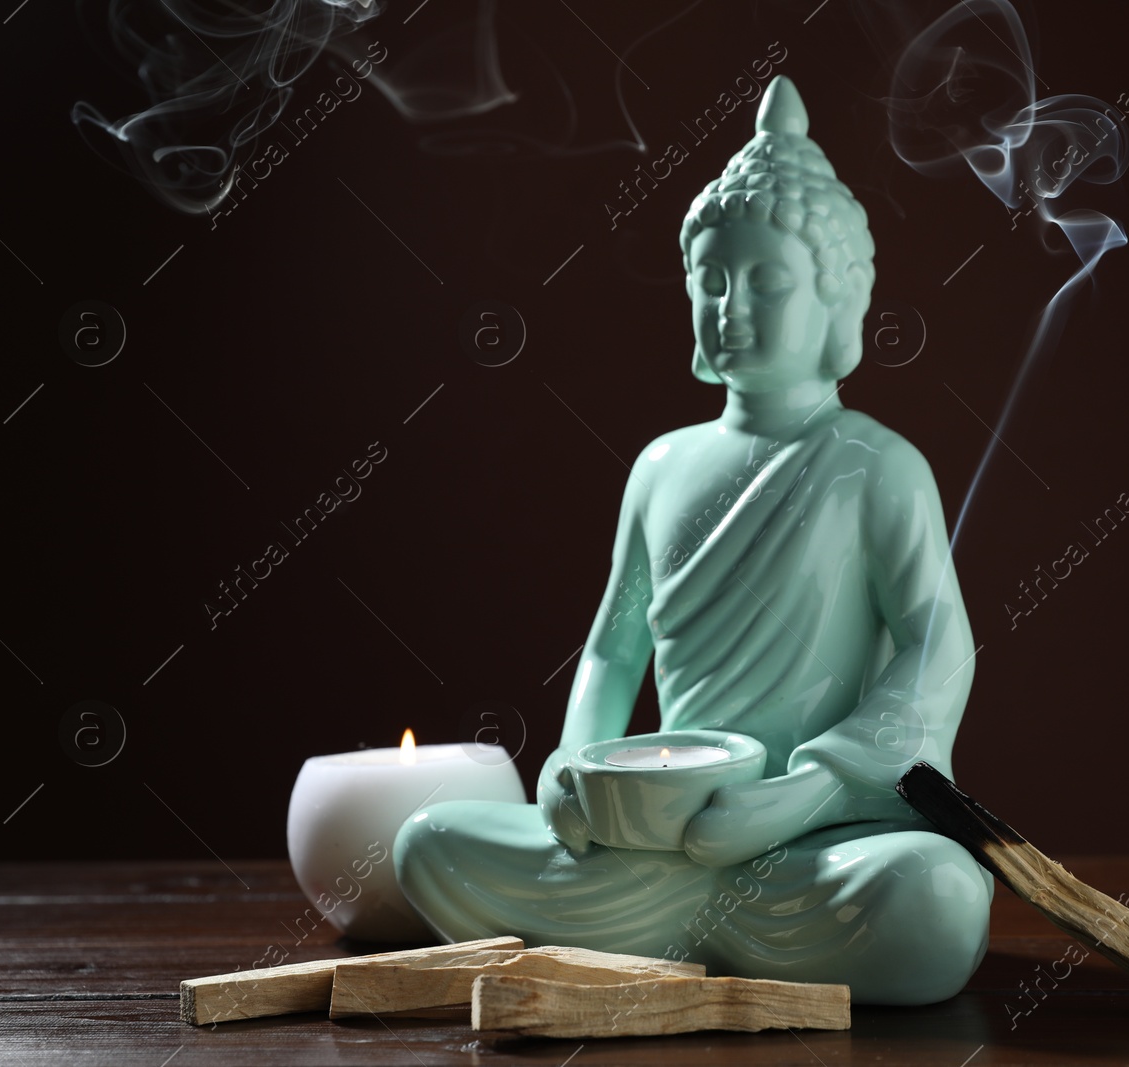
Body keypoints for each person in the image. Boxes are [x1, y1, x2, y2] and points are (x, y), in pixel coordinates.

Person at [395, 76, 992, 1005]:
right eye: (711, 279)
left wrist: (811, 790)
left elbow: (935, 645)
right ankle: (698, 928)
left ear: (838, 299)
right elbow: (612, 646)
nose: (731, 304)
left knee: (937, 895)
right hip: (663, 838)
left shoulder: (877, 465)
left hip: (813, 838)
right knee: (427, 844)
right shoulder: (661, 465)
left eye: (766, 280)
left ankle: (662, 938)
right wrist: (568, 773)